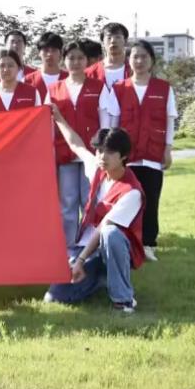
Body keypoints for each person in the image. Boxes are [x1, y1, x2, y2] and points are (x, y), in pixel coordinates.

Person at [44, 121, 145, 314]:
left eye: (110, 152)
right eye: (99, 150)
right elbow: (76, 144)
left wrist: (81, 261)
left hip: (113, 248)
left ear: (124, 156)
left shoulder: (131, 192)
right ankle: (99, 279)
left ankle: (123, 300)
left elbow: (102, 228)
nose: (102, 156)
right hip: (88, 248)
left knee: (110, 232)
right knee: (54, 297)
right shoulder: (98, 169)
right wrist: (58, 117)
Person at [109, 39, 177, 262]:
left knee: (151, 201)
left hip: (152, 156)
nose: (139, 61)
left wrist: (168, 149)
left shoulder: (164, 89)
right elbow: (113, 124)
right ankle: (126, 243)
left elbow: (170, 121)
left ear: (152, 61)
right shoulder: (119, 89)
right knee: (126, 201)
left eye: (144, 57)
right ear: (128, 61)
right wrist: (112, 154)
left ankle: (148, 244)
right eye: (135, 56)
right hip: (126, 158)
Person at [47, 41, 120, 248]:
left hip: (92, 154)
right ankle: (70, 247)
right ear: (64, 61)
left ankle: (90, 246)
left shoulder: (98, 87)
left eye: (80, 58)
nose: (76, 62)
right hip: (65, 154)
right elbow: (47, 124)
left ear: (87, 61)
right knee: (67, 203)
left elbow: (105, 121)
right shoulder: (53, 89)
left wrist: (103, 150)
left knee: (90, 202)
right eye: (71, 58)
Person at [86, 22, 131, 88]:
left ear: (126, 41)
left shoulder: (136, 69)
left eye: (118, 37)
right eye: (109, 38)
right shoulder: (90, 72)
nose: (113, 41)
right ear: (102, 42)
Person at [25, 32, 65, 98]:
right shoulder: (28, 81)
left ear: (60, 53)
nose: (49, 54)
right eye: (46, 50)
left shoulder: (70, 79)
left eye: (54, 50)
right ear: (39, 53)